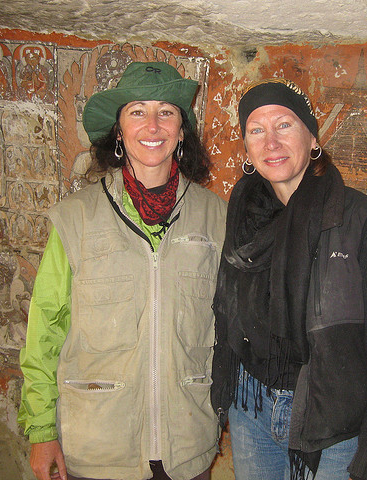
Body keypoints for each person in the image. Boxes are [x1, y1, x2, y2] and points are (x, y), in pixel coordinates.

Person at [18, 61, 227, 480]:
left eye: (166, 112)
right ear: (118, 131)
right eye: (137, 112)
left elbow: (231, 327)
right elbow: (44, 332)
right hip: (98, 449)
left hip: (186, 447)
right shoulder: (75, 218)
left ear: (182, 131)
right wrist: (41, 431)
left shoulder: (216, 217)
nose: (152, 125)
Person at [211, 78, 367, 480]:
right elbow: (226, 317)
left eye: (284, 125)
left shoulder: (366, 223)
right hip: (249, 406)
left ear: (312, 139)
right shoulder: (242, 218)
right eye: (257, 130)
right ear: (248, 150)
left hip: (332, 419)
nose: (271, 142)